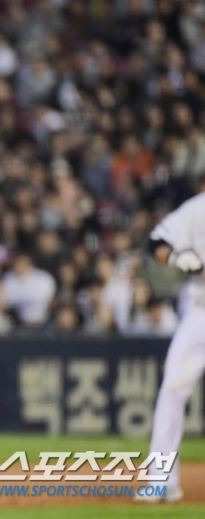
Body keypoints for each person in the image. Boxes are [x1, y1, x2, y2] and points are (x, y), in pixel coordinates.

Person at [136, 190, 205, 503]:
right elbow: (157, 242)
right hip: (201, 312)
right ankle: (161, 482)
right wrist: (176, 257)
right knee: (173, 388)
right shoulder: (198, 208)